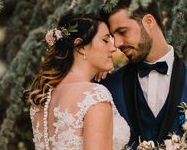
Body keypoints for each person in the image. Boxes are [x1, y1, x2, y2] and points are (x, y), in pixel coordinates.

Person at [101, 0, 187, 149]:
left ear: (148, 22)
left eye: (122, 32)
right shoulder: (109, 87)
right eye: (112, 36)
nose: (117, 43)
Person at [25, 13, 130, 150]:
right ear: (80, 47)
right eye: (105, 41)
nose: (113, 48)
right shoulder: (94, 95)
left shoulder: (44, 97)